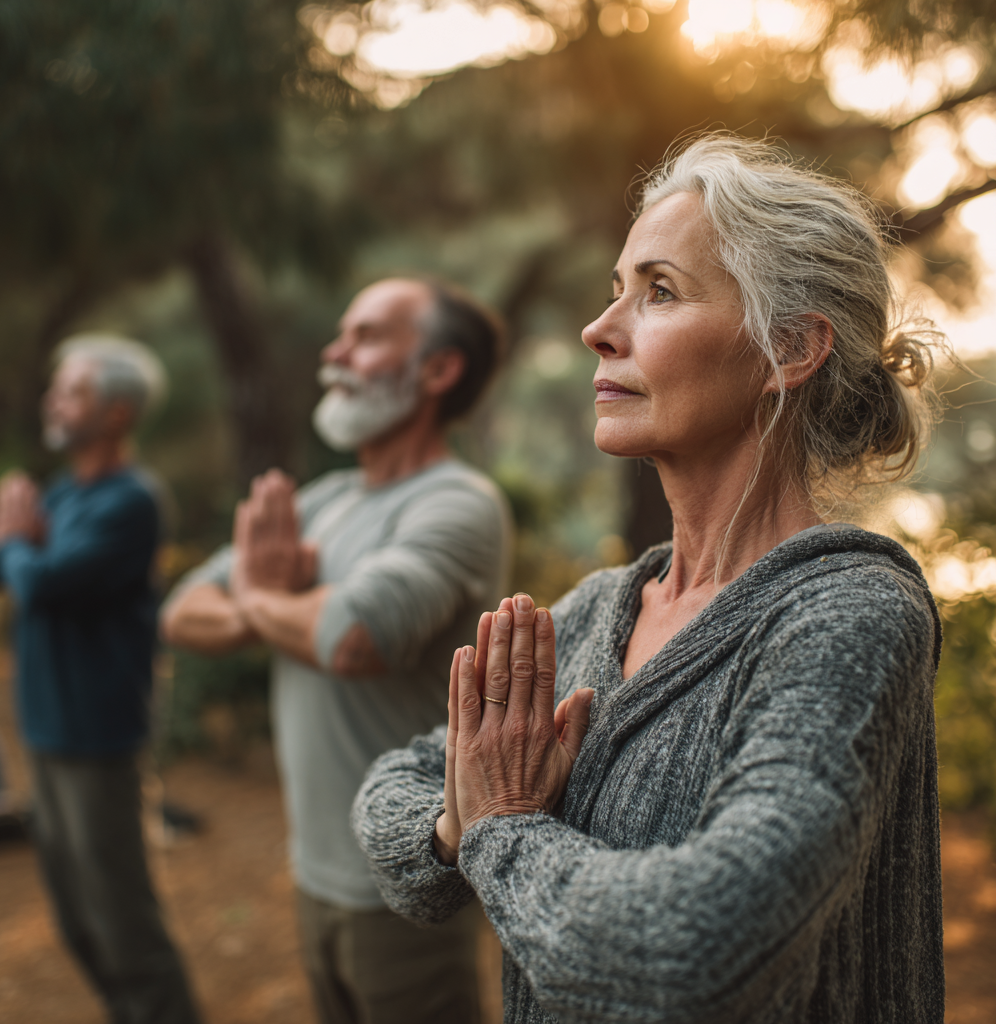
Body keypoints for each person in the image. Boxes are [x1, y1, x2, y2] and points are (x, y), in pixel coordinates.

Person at [352, 135, 946, 1023]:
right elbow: (392, 793)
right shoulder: (598, 609)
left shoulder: (849, 614)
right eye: (614, 289)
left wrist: (501, 827)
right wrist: (456, 822)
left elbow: (705, 941)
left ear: (789, 348)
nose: (600, 328)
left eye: (659, 291)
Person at [162, 277, 511, 1024]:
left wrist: (255, 597)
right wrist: (283, 607)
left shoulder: (456, 501)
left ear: (438, 371)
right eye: (342, 333)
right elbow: (183, 612)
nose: (335, 352)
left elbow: (354, 638)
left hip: (409, 883)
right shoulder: (326, 502)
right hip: (313, 872)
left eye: (366, 335)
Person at [0, 336, 201, 1024]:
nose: (52, 400)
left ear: (117, 414)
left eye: (70, 390)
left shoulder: (130, 502)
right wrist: (12, 543)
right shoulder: (64, 491)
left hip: (99, 744)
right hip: (45, 736)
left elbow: (39, 583)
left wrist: (14, 543)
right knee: (78, 924)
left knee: (126, 930)